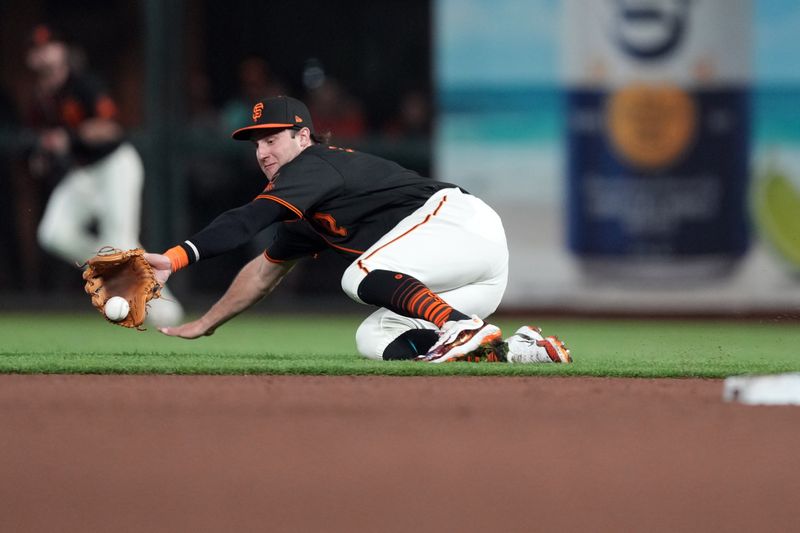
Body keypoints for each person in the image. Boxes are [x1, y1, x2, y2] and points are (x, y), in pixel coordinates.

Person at [144, 95, 571, 364]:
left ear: (303, 137)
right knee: (375, 338)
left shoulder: (313, 165)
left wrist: (174, 258)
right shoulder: (305, 207)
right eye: (256, 143)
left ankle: (460, 326)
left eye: (272, 139)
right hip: (473, 276)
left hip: (459, 224)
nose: (263, 151)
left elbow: (246, 219)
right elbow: (262, 273)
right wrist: (207, 323)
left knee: (359, 274)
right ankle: (519, 349)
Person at [22, 25, 183, 326]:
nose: (43, 53)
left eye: (50, 46)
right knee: (53, 233)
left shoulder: (82, 83)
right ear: (30, 58)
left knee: (121, 241)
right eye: (37, 49)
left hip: (115, 166)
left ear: (61, 51)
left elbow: (110, 128)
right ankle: (114, 266)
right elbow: (46, 139)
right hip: (82, 174)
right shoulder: (40, 99)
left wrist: (67, 137)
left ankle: (166, 311)